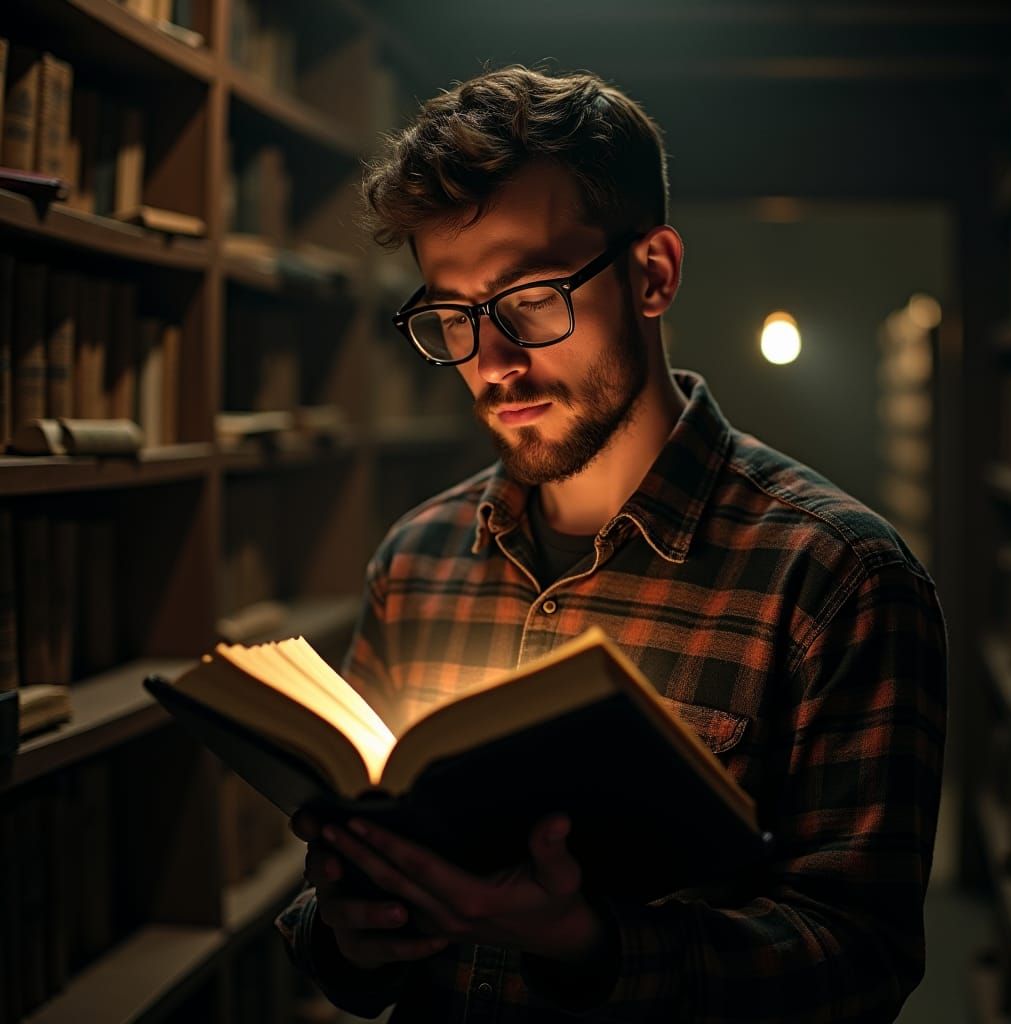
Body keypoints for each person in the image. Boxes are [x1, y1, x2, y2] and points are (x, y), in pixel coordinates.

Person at [275, 65, 946, 1022]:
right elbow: (346, 921)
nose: (493, 362)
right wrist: (348, 930)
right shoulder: (417, 557)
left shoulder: (838, 576)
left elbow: (862, 960)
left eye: (531, 297)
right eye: (451, 316)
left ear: (653, 274)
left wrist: (588, 947)